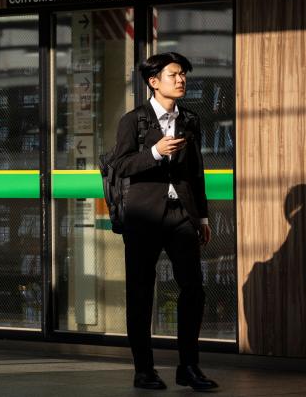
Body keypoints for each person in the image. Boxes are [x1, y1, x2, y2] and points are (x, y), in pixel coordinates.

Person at [113, 52, 218, 391]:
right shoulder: (134, 120)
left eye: (183, 74)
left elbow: (195, 171)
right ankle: (144, 369)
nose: (181, 79)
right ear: (154, 82)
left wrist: (201, 215)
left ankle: (188, 366)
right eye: (174, 74)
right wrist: (155, 152)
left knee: (194, 288)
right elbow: (121, 166)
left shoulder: (190, 120)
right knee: (141, 293)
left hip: (181, 216)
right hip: (143, 217)